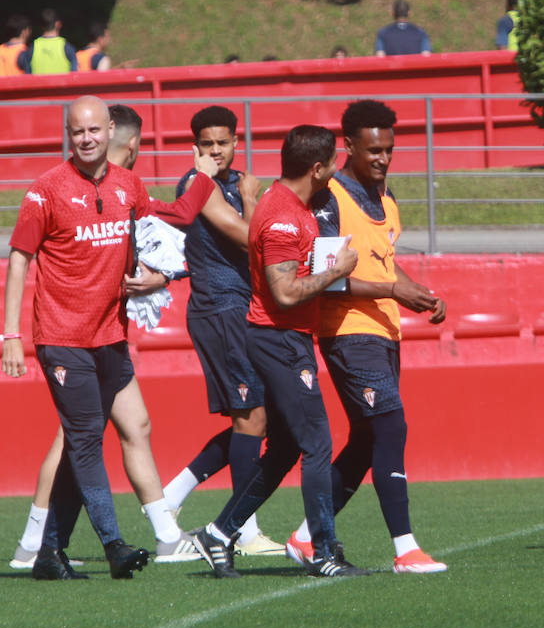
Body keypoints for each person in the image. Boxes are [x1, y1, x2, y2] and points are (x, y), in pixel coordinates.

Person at [8, 103, 224, 571]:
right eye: (76, 131)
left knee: (113, 430)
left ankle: (43, 548)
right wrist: (9, 335)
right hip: (64, 337)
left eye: (93, 129)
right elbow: (19, 259)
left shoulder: (130, 187)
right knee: (81, 438)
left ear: (109, 132)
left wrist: (159, 279)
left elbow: (162, 236)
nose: (85, 138)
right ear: (68, 134)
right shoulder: (45, 190)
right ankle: (115, 544)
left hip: (110, 337)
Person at [186, 125, 364, 579]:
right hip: (279, 339)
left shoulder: (287, 205)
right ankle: (323, 550)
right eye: (332, 165)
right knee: (318, 443)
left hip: (284, 338)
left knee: (286, 446)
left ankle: (219, 533)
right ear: (317, 167)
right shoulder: (284, 215)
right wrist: (336, 270)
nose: (335, 173)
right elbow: (284, 293)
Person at [278, 99, 447, 574]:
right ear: (348, 146)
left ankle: (307, 536)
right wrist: (395, 288)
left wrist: (420, 291)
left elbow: (382, 263)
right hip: (349, 333)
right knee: (391, 427)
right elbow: (326, 279)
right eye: (373, 150)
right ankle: (405, 549)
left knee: (368, 440)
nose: (383, 158)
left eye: (389, 150)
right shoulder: (331, 198)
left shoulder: (388, 200)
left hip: (385, 331)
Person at [159, 105, 287, 562]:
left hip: (242, 310)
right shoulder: (198, 184)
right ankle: (243, 530)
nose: (216, 151)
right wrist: (254, 201)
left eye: (224, 142)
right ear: (195, 147)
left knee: (254, 420)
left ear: (237, 142)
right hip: (219, 310)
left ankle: (170, 499)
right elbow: (247, 235)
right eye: (207, 144)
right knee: (252, 418)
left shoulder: (237, 182)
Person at [18, 9, 77, 74]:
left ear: (41, 26)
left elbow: (27, 76)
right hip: (62, 84)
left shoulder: (32, 48)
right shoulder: (67, 48)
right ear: (58, 24)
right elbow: (75, 76)